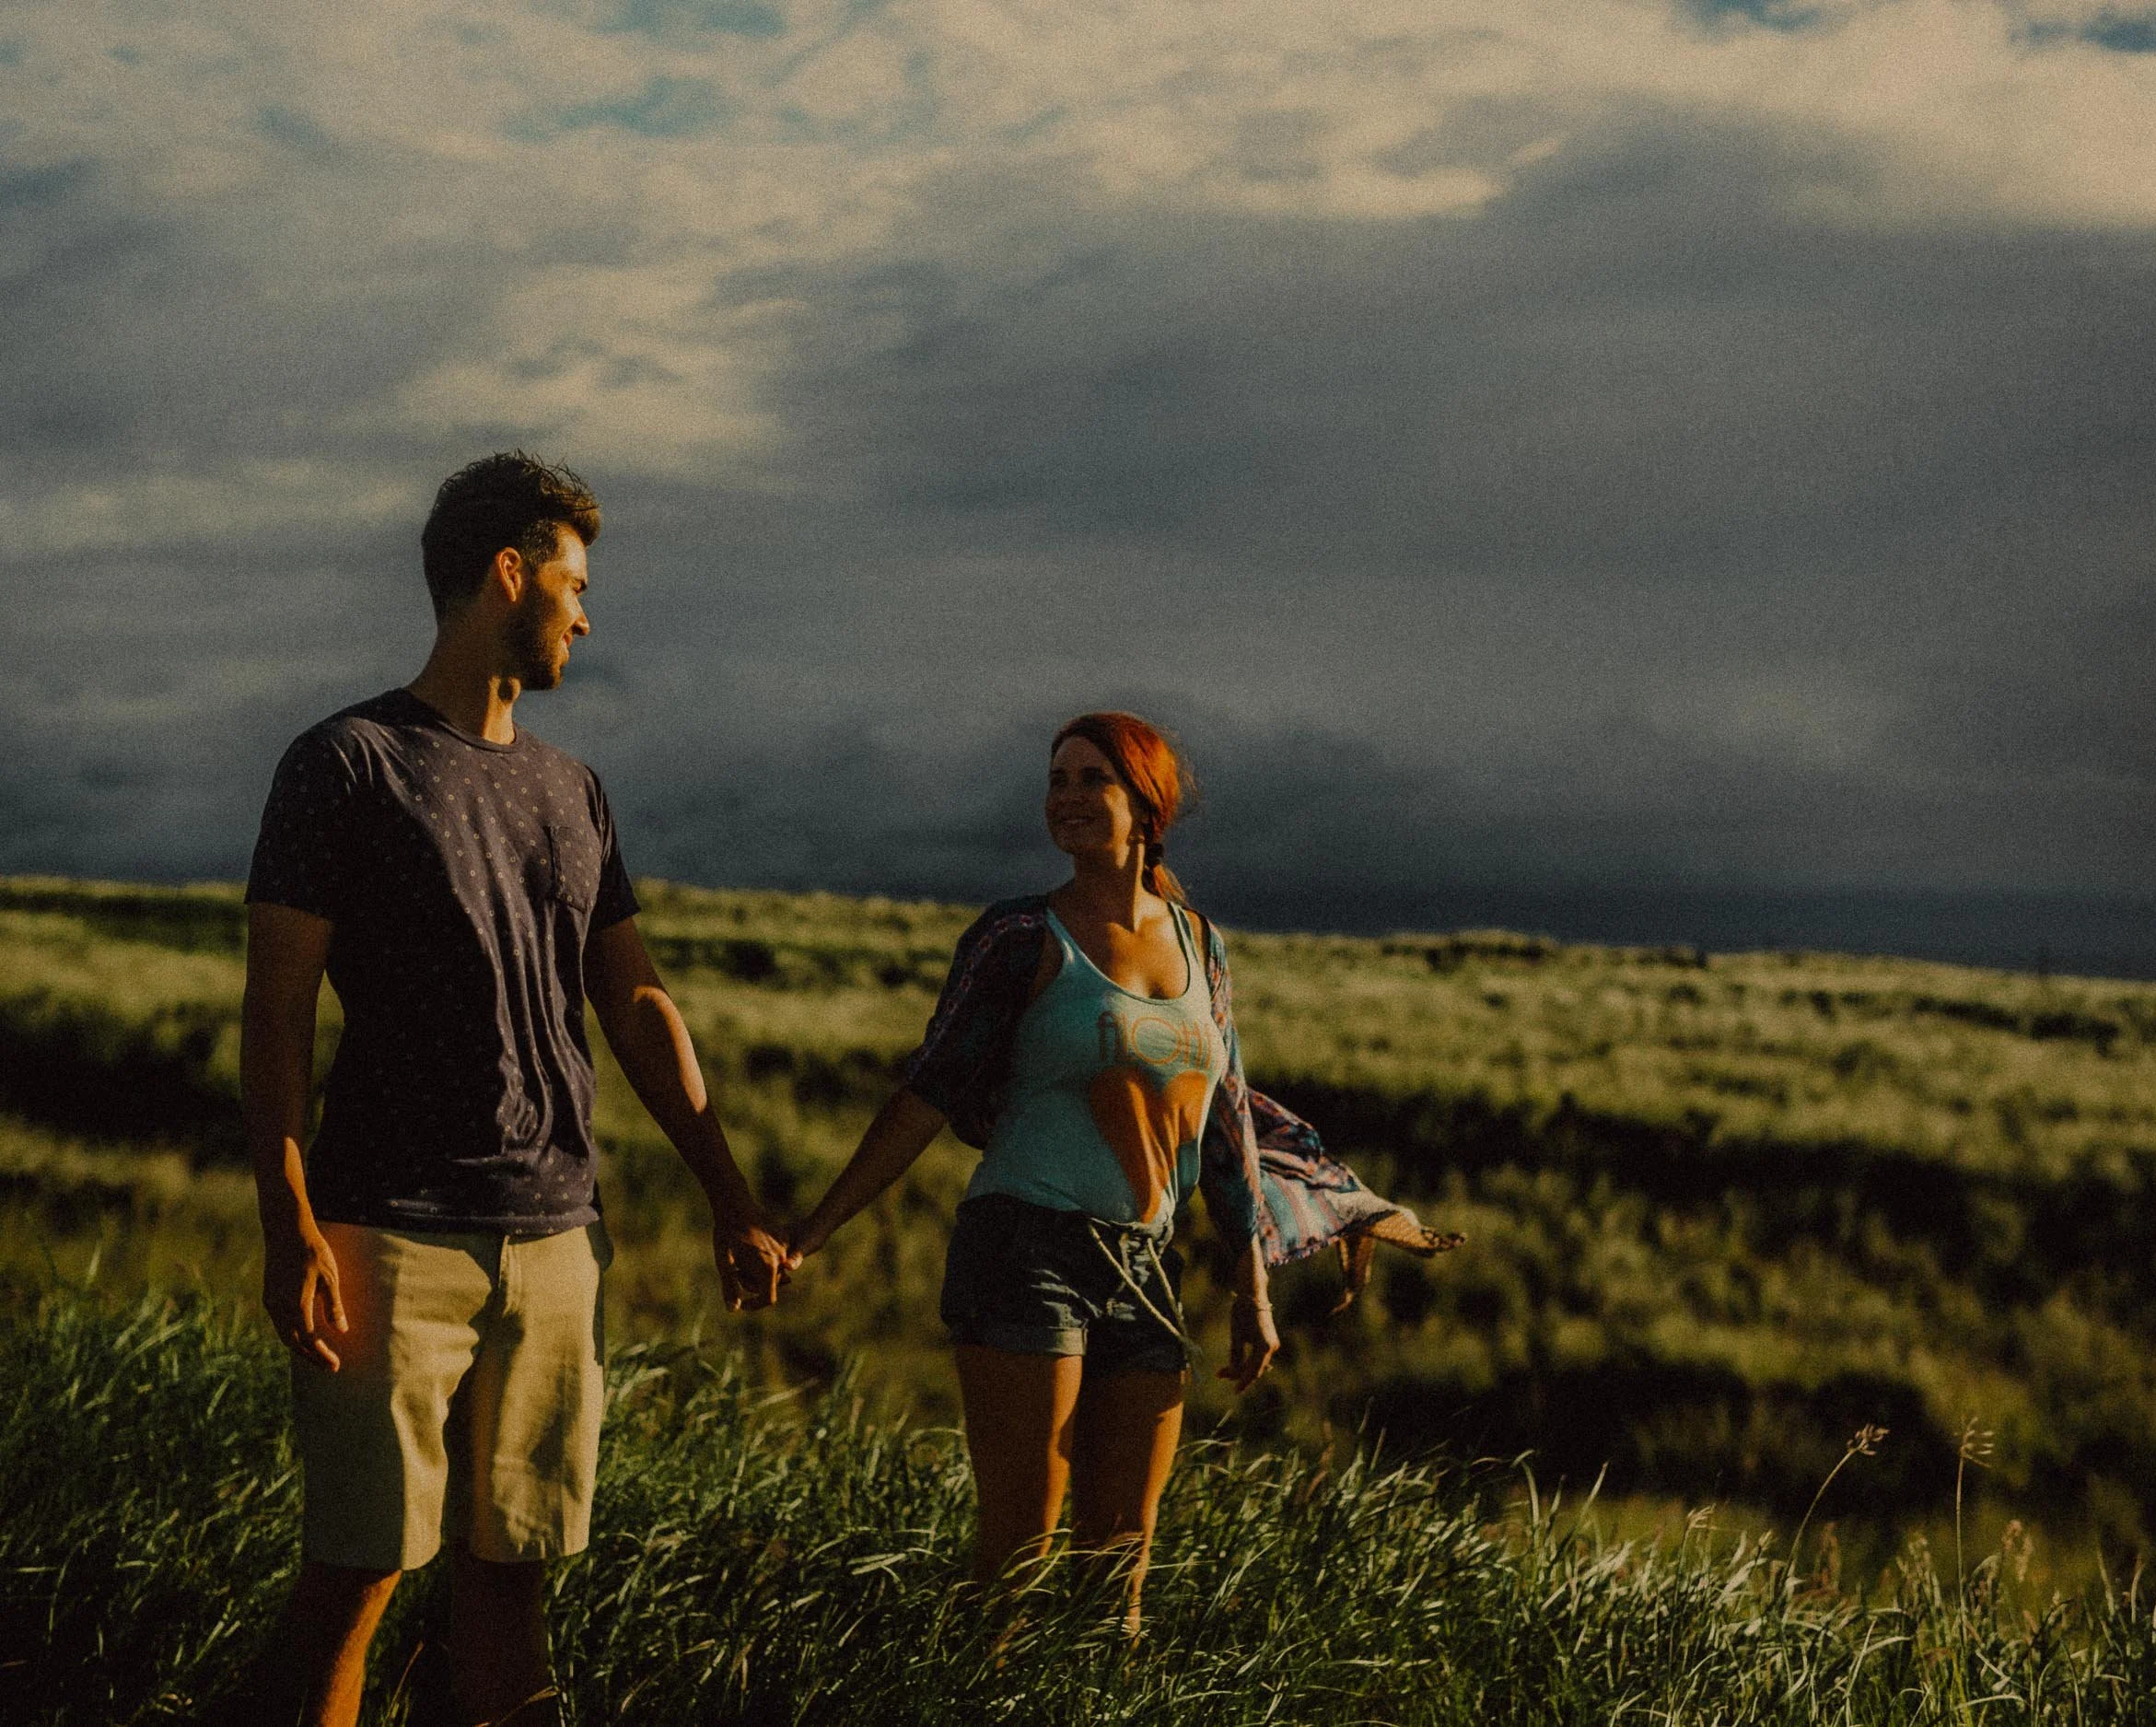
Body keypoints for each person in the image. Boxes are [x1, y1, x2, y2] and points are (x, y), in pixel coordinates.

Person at [239, 452, 788, 1727]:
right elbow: (275, 1010)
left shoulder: (573, 788)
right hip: (389, 1232)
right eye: (573, 582)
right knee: (356, 1575)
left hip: (557, 1241)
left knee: (515, 1579)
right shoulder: (343, 762)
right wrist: (290, 1218)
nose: (585, 614)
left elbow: (638, 1002)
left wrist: (728, 1191)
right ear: (509, 572)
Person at [784, 711, 1459, 1631]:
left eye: (1087, 779)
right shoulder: (1018, 937)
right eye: (1055, 779)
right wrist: (813, 1233)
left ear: (1146, 807)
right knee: (1019, 1553)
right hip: (1024, 1247)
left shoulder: (1201, 946)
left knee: (1121, 1573)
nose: (1062, 798)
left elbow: (1225, 1124)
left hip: (1145, 1267)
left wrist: (1251, 1287)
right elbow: (926, 1096)